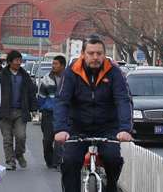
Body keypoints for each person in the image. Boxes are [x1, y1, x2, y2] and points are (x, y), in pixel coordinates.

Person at [54, 37, 133, 192]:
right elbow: (62, 101)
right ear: (83, 54)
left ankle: (111, 187)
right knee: (69, 161)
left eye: (99, 53)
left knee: (113, 159)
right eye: (91, 53)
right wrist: (60, 129)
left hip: (107, 127)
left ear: (104, 54)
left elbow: (123, 100)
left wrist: (125, 129)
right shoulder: (71, 72)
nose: (95, 57)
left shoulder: (114, 72)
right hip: (77, 127)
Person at [0, 50, 38, 170]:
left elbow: (31, 93)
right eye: (16, 60)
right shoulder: (1, 76)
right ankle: (10, 162)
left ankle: (19, 154)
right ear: (10, 62)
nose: (19, 63)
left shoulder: (25, 76)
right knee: (7, 139)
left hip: (20, 111)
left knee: (21, 136)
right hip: (4, 112)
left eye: (20, 60)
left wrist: (34, 108)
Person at [38, 55, 66, 169]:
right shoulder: (47, 79)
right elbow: (41, 96)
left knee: (60, 139)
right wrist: (42, 108)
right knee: (47, 140)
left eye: (56, 64)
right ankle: (49, 161)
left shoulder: (69, 79)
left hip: (63, 114)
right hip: (48, 114)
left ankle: (58, 162)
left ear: (62, 66)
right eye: (53, 64)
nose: (53, 66)